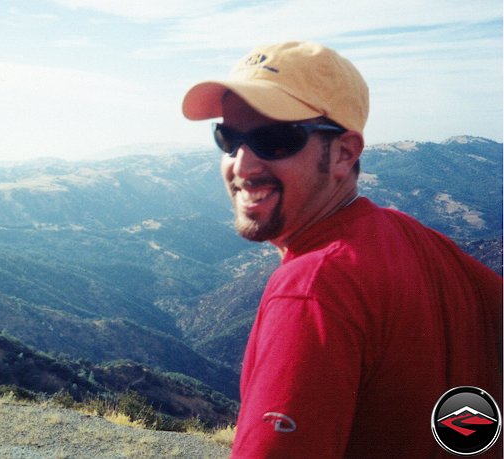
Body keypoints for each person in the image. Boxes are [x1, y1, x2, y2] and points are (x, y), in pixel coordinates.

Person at [181, 41, 503, 457]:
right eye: (228, 138)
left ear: (344, 153)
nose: (241, 165)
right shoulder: (417, 241)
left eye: (275, 139)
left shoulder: (312, 290)